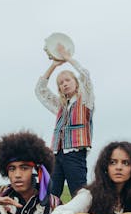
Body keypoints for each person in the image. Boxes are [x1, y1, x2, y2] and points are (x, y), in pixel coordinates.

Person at [35, 43, 95, 198]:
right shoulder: (60, 105)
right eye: (61, 83)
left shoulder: (85, 101)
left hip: (75, 154)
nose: (65, 84)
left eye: (67, 80)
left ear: (76, 82)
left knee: (79, 194)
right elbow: (40, 91)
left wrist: (68, 58)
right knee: (50, 195)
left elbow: (86, 77)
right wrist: (53, 65)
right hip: (56, 154)